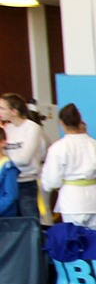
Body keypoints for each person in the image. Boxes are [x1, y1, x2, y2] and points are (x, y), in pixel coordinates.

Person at [39, 104, 96, 230]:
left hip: (72, 199)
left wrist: (53, 185)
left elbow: (51, 181)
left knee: (74, 237)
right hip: (94, 198)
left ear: (61, 123)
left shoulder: (58, 148)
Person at [1, 91, 47, 221]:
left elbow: (24, 159)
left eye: (2, 108)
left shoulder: (32, 128)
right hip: (9, 181)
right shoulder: (8, 128)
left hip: (26, 182)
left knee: (29, 220)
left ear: (14, 111)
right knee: (11, 221)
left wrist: (7, 164)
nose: (0, 112)